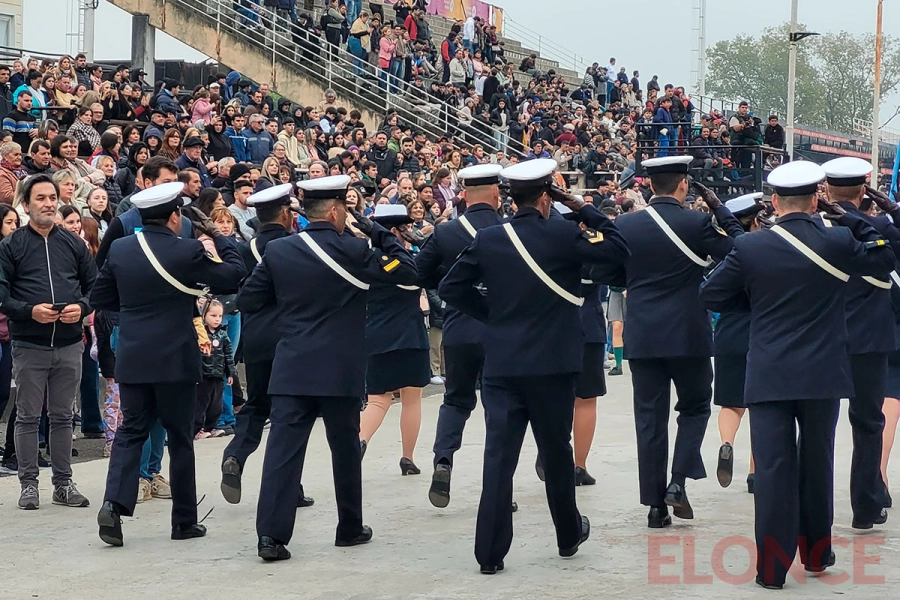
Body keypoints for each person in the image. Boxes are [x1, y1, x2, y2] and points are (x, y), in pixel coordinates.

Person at [699, 161, 895, 589]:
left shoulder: (752, 249)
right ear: (814, 200)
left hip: (769, 371)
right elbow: (886, 255)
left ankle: (771, 568)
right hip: (823, 372)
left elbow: (710, 292)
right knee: (817, 462)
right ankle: (817, 553)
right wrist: (856, 221)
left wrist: (757, 305)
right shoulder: (839, 240)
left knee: (772, 468)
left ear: (773, 201)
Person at [438, 159, 629, 573]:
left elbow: (450, 286)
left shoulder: (490, 238)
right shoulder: (564, 232)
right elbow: (618, 250)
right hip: (553, 365)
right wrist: (580, 207)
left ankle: (489, 554)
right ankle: (566, 535)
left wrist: (492, 316)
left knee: (498, 458)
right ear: (546, 197)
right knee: (557, 452)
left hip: (503, 363)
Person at [238, 174, 417, 561]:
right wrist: (376, 230)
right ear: (336, 211)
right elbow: (407, 270)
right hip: (340, 368)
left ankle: (270, 536)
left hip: (292, 367)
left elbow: (249, 300)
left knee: (283, 454)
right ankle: (349, 527)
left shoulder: (280, 251)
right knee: (345, 451)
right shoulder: (355, 250)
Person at [90, 181, 246, 547]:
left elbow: (101, 296)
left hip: (134, 355)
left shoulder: (121, 250)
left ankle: (113, 505)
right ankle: (184, 522)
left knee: (131, 432)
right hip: (175, 357)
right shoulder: (188, 250)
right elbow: (233, 272)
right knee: (180, 437)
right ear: (175, 216)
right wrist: (213, 235)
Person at [611, 155, 743, 528]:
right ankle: (677, 482)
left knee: (649, 419)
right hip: (688, 332)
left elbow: (607, 270)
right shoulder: (697, 222)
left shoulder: (626, 225)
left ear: (651, 186)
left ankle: (655, 506)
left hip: (643, 334)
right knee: (696, 407)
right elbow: (740, 249)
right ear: (684, 185)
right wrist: (719, 209)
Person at [0, 174, 96, 510]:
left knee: (63, 417)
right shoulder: (11, 246)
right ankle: (28, 485)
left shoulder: (72, 243)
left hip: (70, 343)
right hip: (30, 344)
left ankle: (63, 483)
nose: (48, 203)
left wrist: (81, 307)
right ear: (26, 205)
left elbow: (94, 285)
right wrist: (29, 312)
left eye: (52, 197)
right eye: (40, 198)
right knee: (27, 416)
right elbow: (1, 294)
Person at [415, 164, 504, 508]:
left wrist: (450, 280)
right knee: (500, 407)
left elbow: (420, 273)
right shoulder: (508, 228)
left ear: (464, 196)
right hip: (500, 328)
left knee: (455, 401)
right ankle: (496, 486)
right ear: (496, 195)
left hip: (459, 326)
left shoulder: (446, 232)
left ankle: (443, 460)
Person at [221, 183, 314, 508]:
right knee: (292, 413)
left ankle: (235, 455)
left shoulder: (248, 249)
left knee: (258, 404)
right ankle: (290, 487)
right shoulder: (296, 245)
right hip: (291, 337)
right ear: (287, 214)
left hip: (258, 336)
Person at [821, 157, 896, 529]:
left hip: (823, 340)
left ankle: (815, 512)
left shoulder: (816, 230)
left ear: (826, 190)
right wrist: (891, 207)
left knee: (818, 429)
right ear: (865, 190)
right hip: (869, 339)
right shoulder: (880, 226)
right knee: (867, 424)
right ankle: (865, 507)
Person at [358, 204, 429, 474]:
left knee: (378, 399)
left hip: (376, 335)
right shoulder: (411, 261)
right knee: (412, 399)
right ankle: (407, 457)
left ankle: (360, 442)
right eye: (405, 228)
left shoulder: (366, 260)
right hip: (410, 334)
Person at [712, 193, 765, 494]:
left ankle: (727, 443)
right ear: (756, 221)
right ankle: (755, 474)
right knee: (760, 405)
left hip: (729, 331)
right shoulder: (763, 254)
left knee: (731, 403)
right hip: (759, 332)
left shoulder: (724, 257)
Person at [194, 299, 234, 439]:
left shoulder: (223, 335)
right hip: (203, 375)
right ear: (204, 315)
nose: (217, 319)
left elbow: (228, 355)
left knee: (216, 405)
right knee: (201, 403)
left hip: (218, 375)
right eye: (213, 316)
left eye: (220, 316)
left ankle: (211, 427)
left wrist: (230, 373)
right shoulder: (199, 334)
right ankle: (196, 429)